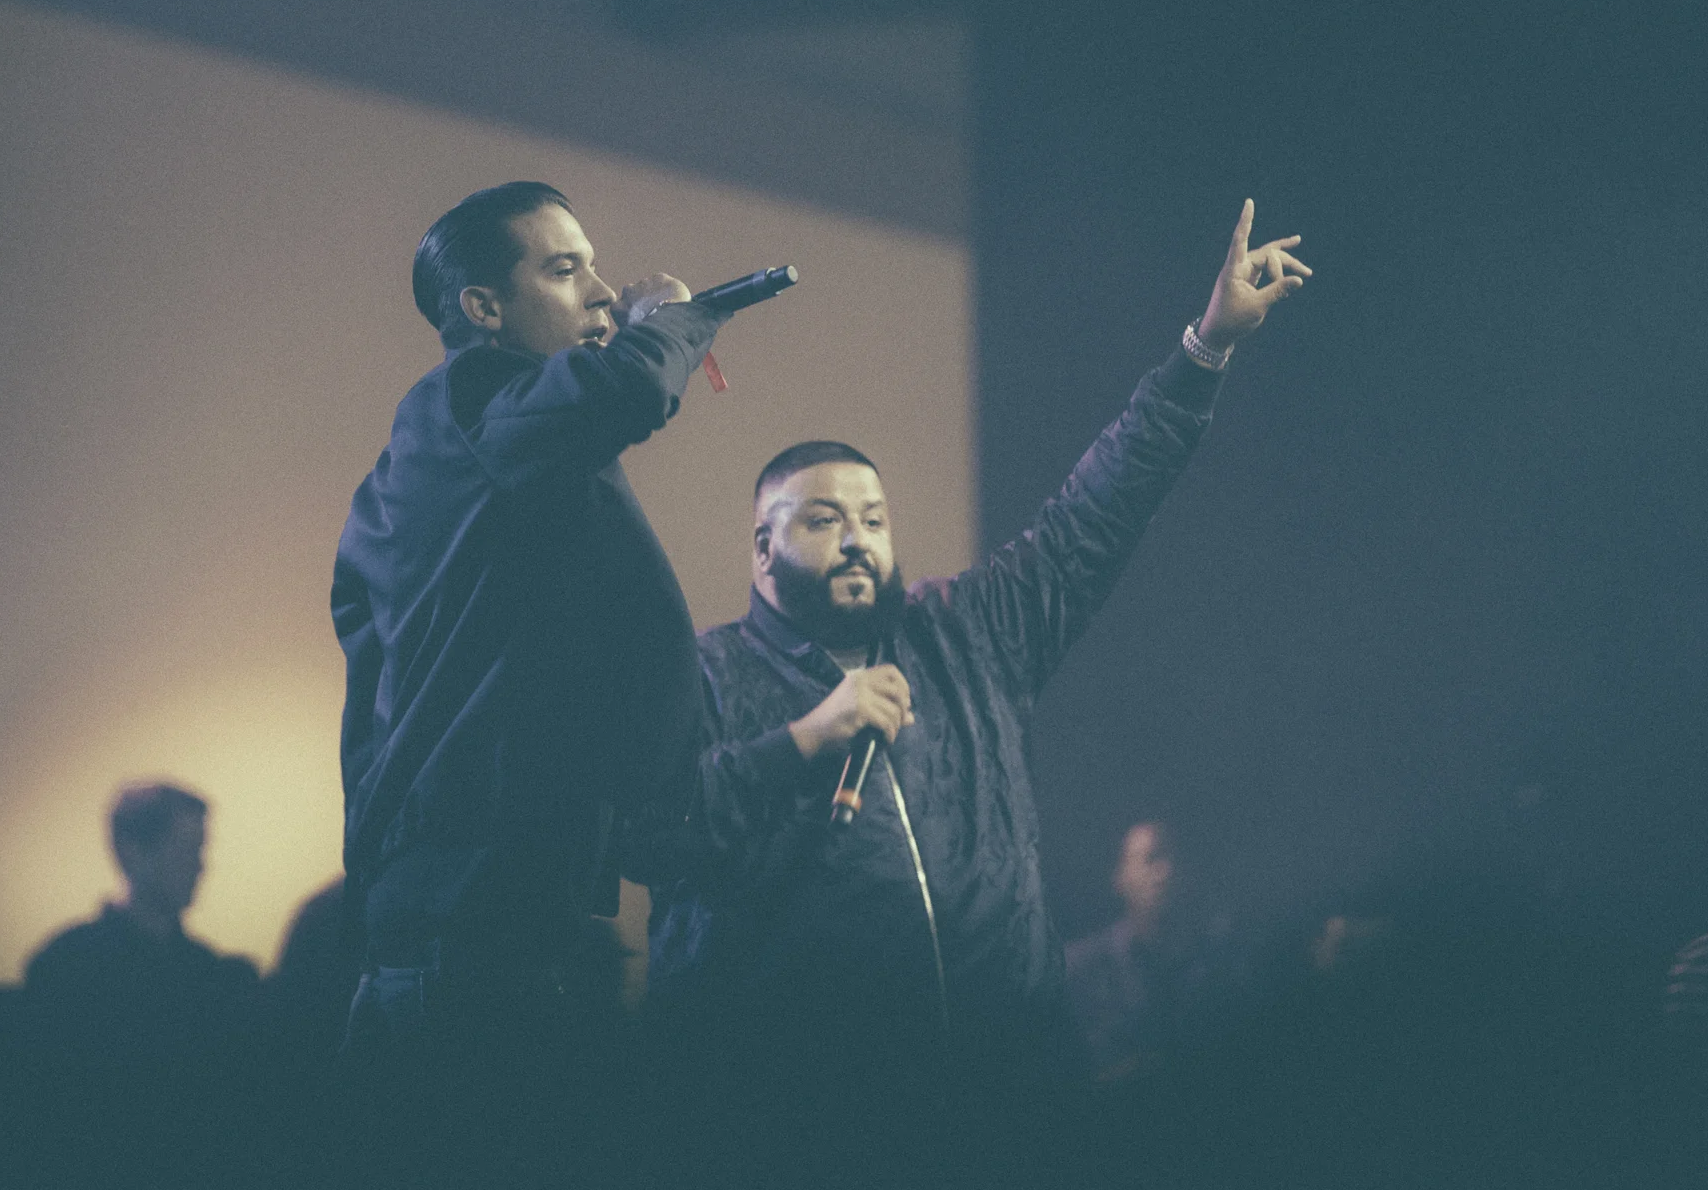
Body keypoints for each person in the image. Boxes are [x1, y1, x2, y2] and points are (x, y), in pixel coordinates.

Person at [640, 200, 1308, 1186]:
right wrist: (806, 740)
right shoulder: (706, 672)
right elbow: (654, 834)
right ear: (761, 545)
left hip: (998, 1096)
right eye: (822, 519)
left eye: (871, 514)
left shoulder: (964, 633)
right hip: (800, 1120)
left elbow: (1094, 510)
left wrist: (1202, 349)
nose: (858, 536)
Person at [332, 181, 729, 1184]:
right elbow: (622, 392)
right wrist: (669, 323)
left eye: (597, 268)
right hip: (473, 919)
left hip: (487, 905)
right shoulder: (462, 401)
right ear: (481, 310)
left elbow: (365, 646)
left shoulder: (493, 462)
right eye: (563, 270)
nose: (601, 293)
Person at [19, 782, 262, 1186]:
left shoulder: (211, 975)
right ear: (132, 851)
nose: (200, 865)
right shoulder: (66, 969)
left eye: (200, 850)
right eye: (186, 848)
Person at [1064, 820, 1243, 1086]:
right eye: (1151, 859)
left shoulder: (1222, 966)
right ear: (1119, 877)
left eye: (1175, 858)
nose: (1166, 871)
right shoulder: (1077, 970)